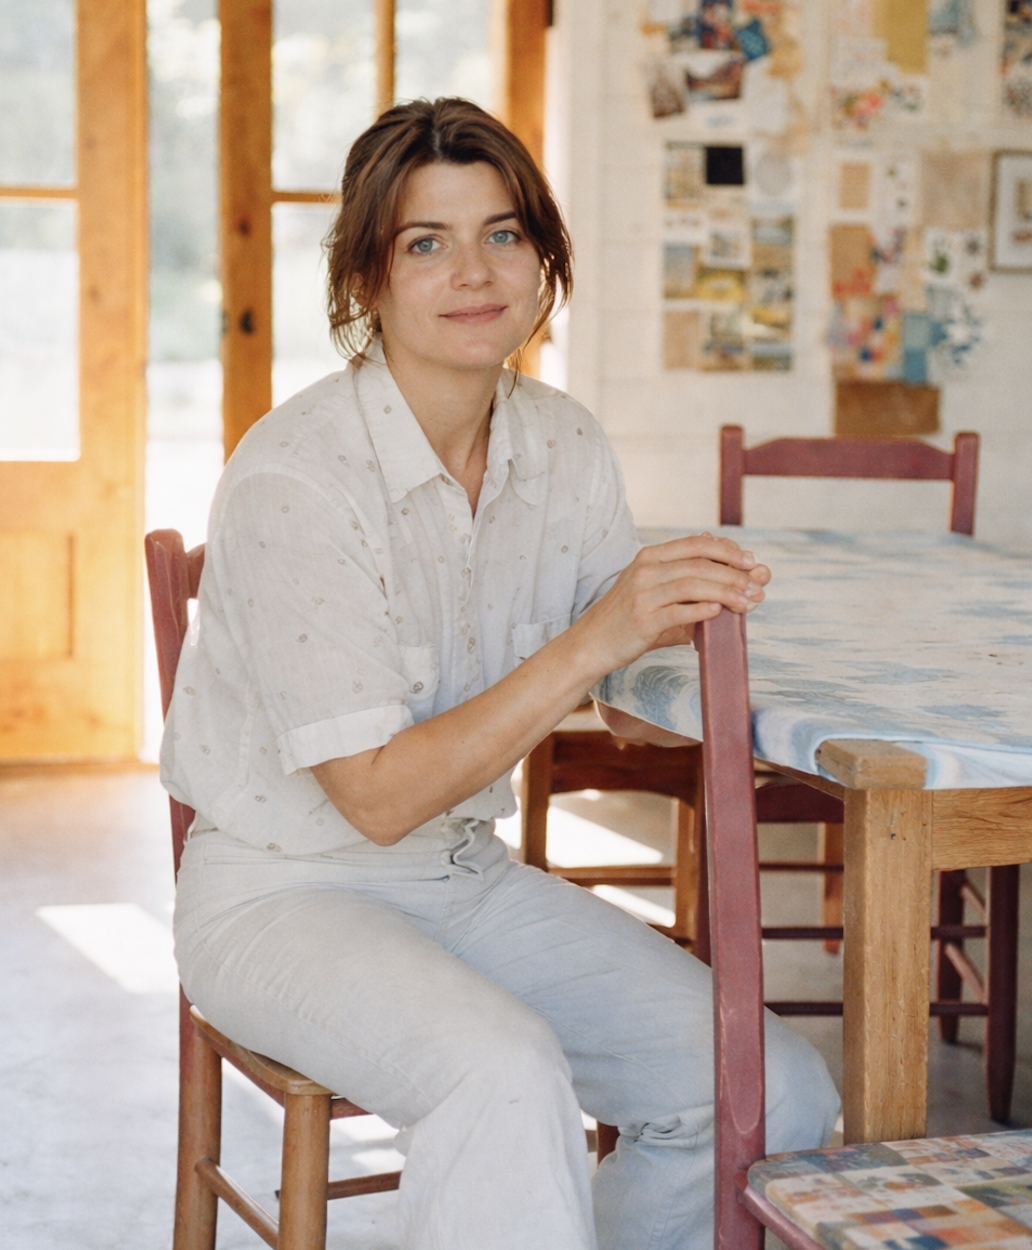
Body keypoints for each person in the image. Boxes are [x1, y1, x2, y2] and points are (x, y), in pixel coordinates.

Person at [163, 97, 838, 1250]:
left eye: (505, 233)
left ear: (543, 261)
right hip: (281, 891)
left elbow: (615, 646)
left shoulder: (563, 444)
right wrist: (599, 635)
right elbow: (373, 795)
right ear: (365, 279)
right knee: (503, 1072)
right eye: (426, 241)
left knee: (771, 1085)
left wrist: (678, 611)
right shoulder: (296, 474)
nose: (474, 271)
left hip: (465, 875)